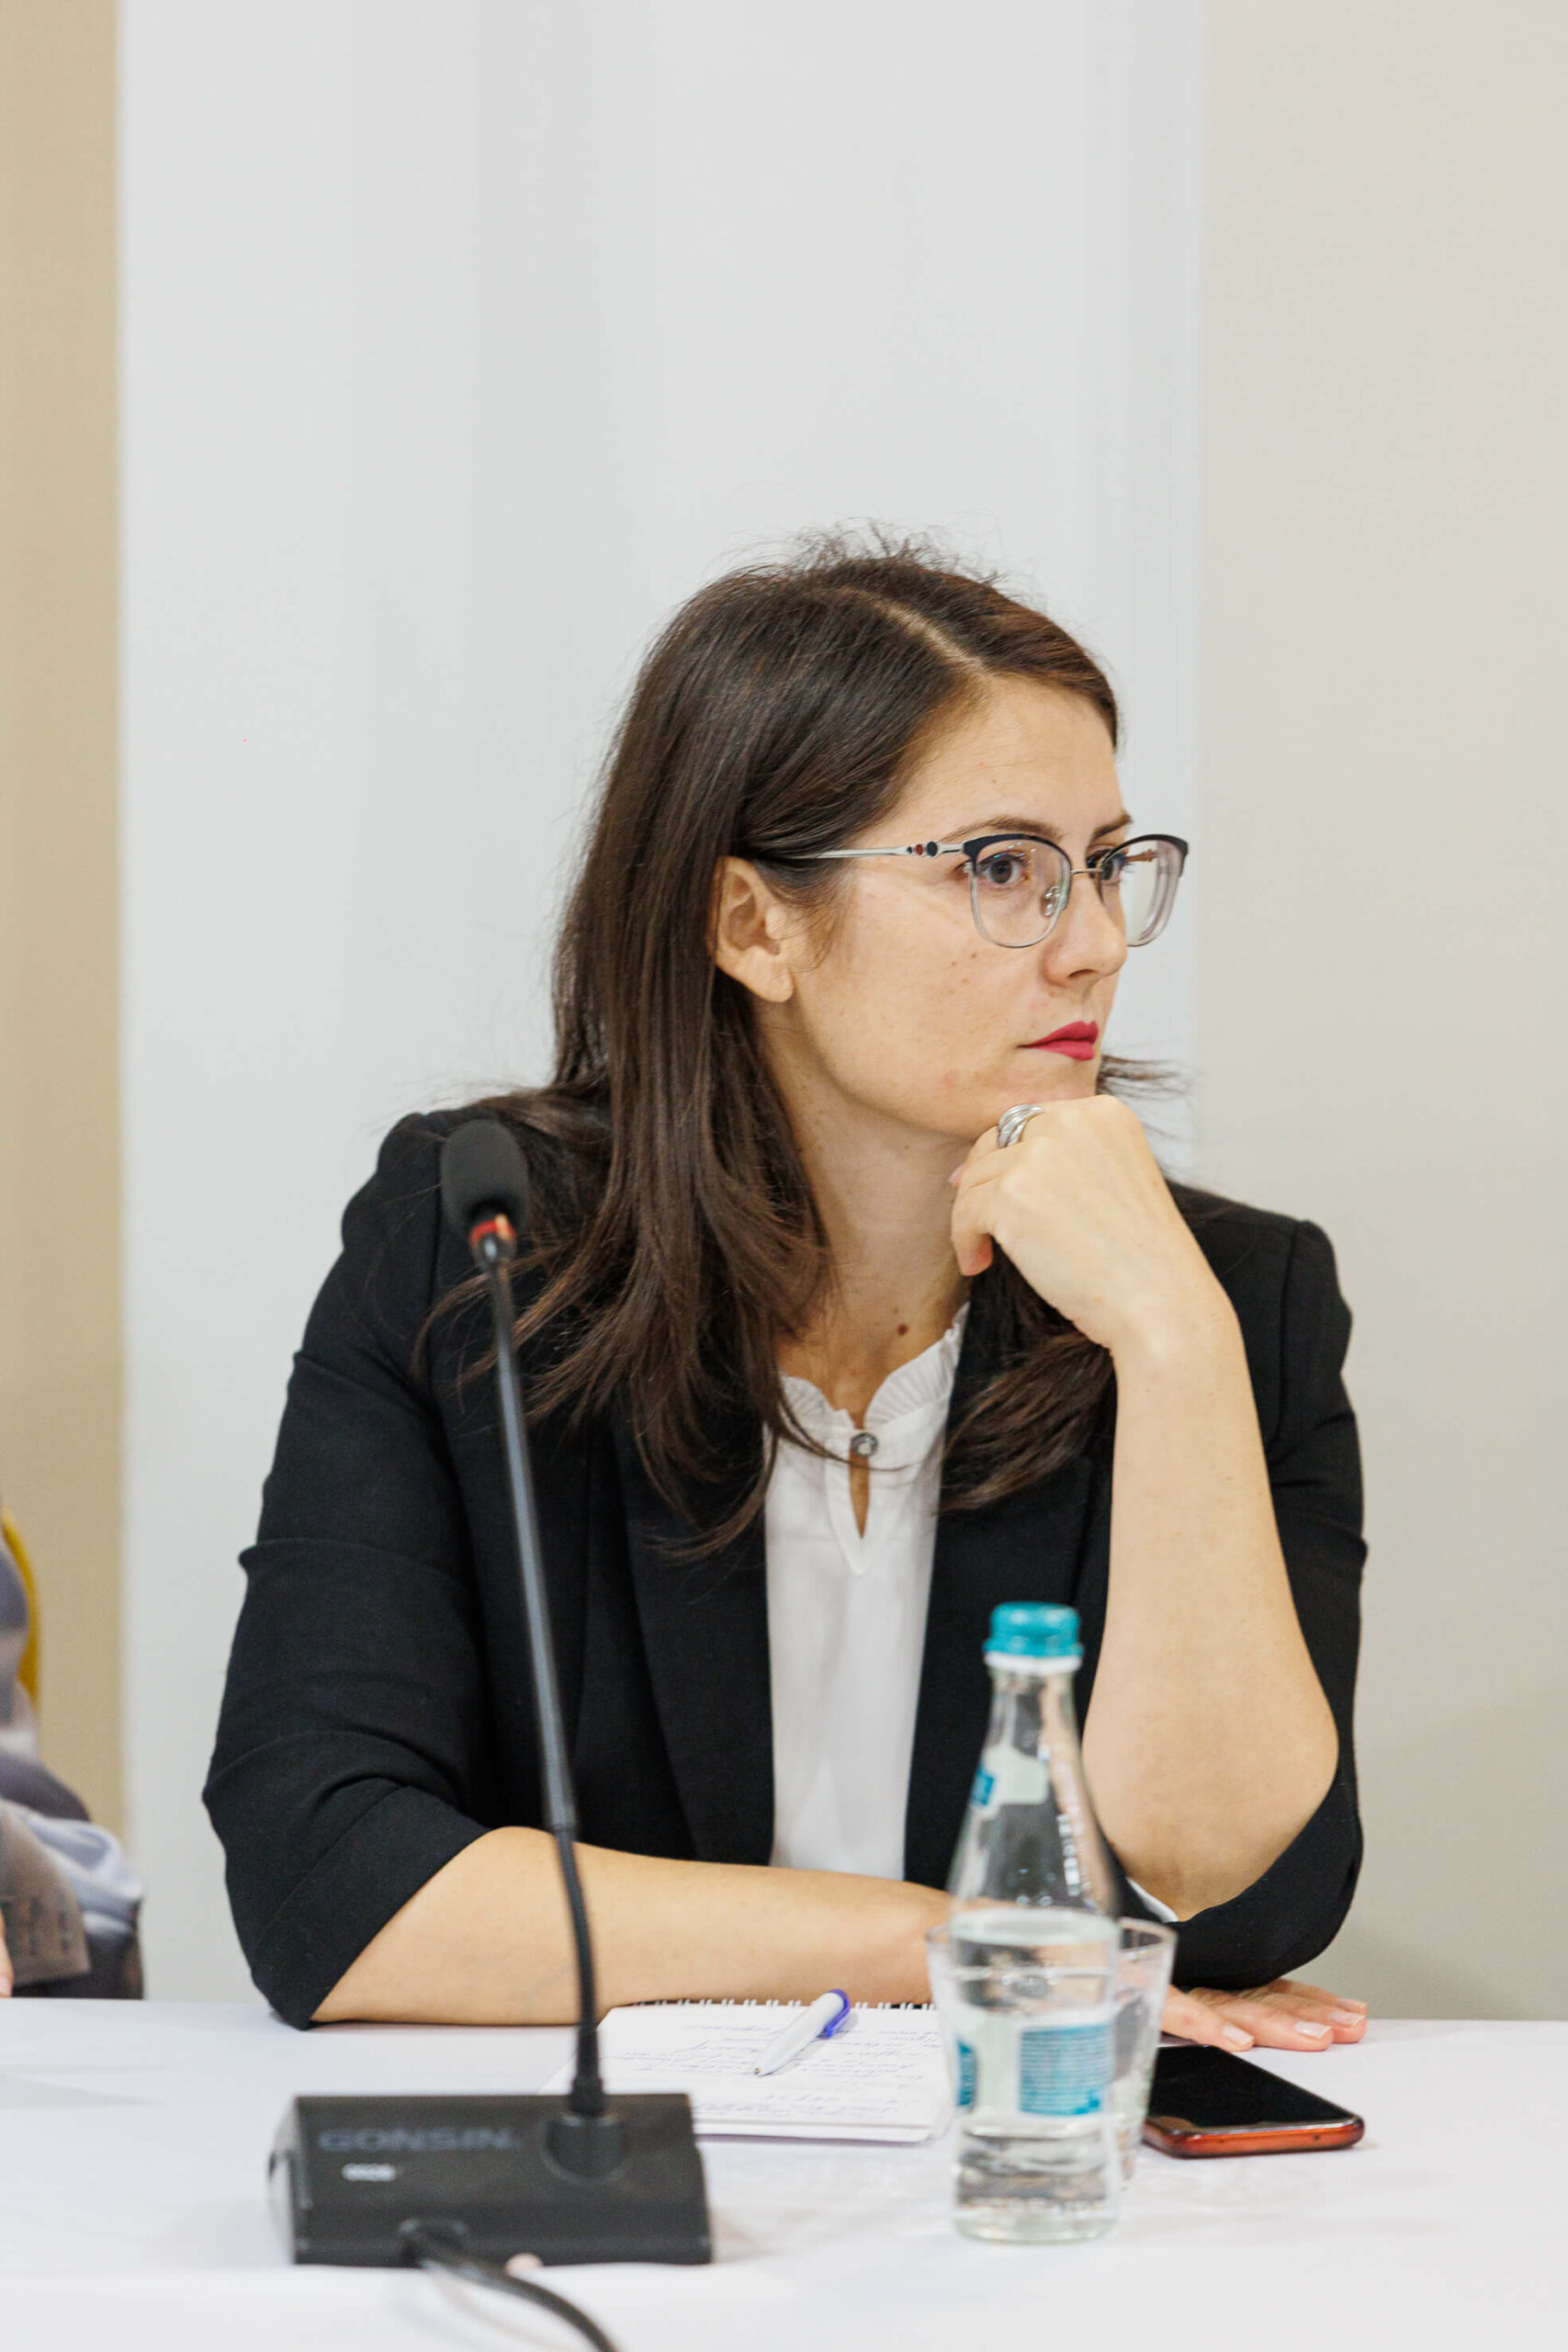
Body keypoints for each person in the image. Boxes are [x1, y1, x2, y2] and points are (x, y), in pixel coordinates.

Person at [208, 541, 1367, 2060]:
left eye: (1104, 865)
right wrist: (928, 1947)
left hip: (1028, 2164)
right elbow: (329, 1876)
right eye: (1002, 869)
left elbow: (1239, 1894)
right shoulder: (484, 1247)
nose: (1091, 944)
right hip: (624, 2163)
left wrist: (1172, 1340)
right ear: (756, 924)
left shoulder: (1230, 1299)